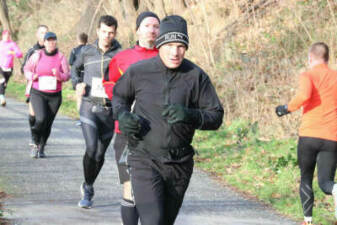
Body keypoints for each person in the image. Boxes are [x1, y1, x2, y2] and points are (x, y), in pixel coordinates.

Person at [112, 15, 224, 225]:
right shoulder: (139, 71)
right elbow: (119, 97)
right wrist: (123, 115)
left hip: (179, 164)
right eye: (170, 45)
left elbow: (216, 116)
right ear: (160, 44)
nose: (175, 52)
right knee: (152, 221)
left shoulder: (196, 76)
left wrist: (190, 115)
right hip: (144, 158)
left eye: (181, 46)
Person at [103, 11, 160, 225]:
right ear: (137, 30)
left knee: (152, 188)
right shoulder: (122, 57)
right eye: (147, 25)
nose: (152, 30)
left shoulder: (167, 57)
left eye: (156, 26)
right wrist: (124, 103)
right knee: (130, 185)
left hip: (157, 132)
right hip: (127, 130)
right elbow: (109, 84)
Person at [276, 42, 337, 225]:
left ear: (310, 58)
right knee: (326, 182)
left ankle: (308, 221)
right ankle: (335, 190)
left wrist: (285, 108)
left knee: (306, 178)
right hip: (332, 137)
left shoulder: (308, 75)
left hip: (309, 135)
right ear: (327, 58)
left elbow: (304, 96)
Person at [71, 15, 121, 209]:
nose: (107, 36)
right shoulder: (86, 51)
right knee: (92, 148)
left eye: (111, 33)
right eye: (104, 32)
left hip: (109, 111)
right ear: (98, 31)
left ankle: (87, 184)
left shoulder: (120, 54)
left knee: (99, 155)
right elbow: (75, 70)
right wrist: (78, 84)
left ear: (115, 33)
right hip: (89, 106)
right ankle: (89, 189)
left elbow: (129, 78)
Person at [24, 32, 70, 158]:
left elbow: (67, 75)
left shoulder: (61, 57)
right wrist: (32, 76)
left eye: (53, 41)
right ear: (44, 43)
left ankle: (42, 146)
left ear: (56, 42)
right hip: (38, 92)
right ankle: (34, 142)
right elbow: (26, 69)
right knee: (41, 119)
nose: (51, 43)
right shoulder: (37, 55)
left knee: (48, 123)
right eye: (48, 41)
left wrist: (59, 76)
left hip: (55, 96)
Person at [21, 24, 49, 146]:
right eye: (42, 32)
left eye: (46, 32)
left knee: (45, 116)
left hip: (49, 88)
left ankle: (41, 138)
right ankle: (34, 136)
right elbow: (23, 69)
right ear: (37, 35)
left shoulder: (53, 51)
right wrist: (33, 75)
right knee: (34, 114)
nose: (44, 35)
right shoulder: (32, 51)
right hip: (34, 86)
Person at [69, 32, 88, 126]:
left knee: (79, 97)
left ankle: (81, 118)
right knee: (88, 97)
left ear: (78, 40)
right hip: (88, 75)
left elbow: (71, 63)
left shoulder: (74, 50)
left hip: (78, 76)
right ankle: (87, 117)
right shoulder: (90, 49)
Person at [0, 29, 23, 106]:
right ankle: (2, 98)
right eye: (5, 35)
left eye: (8, 35)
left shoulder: (12, 44)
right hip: (0, 67)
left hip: (9, 68)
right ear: (2, 36)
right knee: (2, 81)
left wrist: (13, 52)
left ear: (9, 36)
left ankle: (1, 95)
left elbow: (20, 54)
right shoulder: (0, 44)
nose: (6, 37)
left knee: (4, 84)